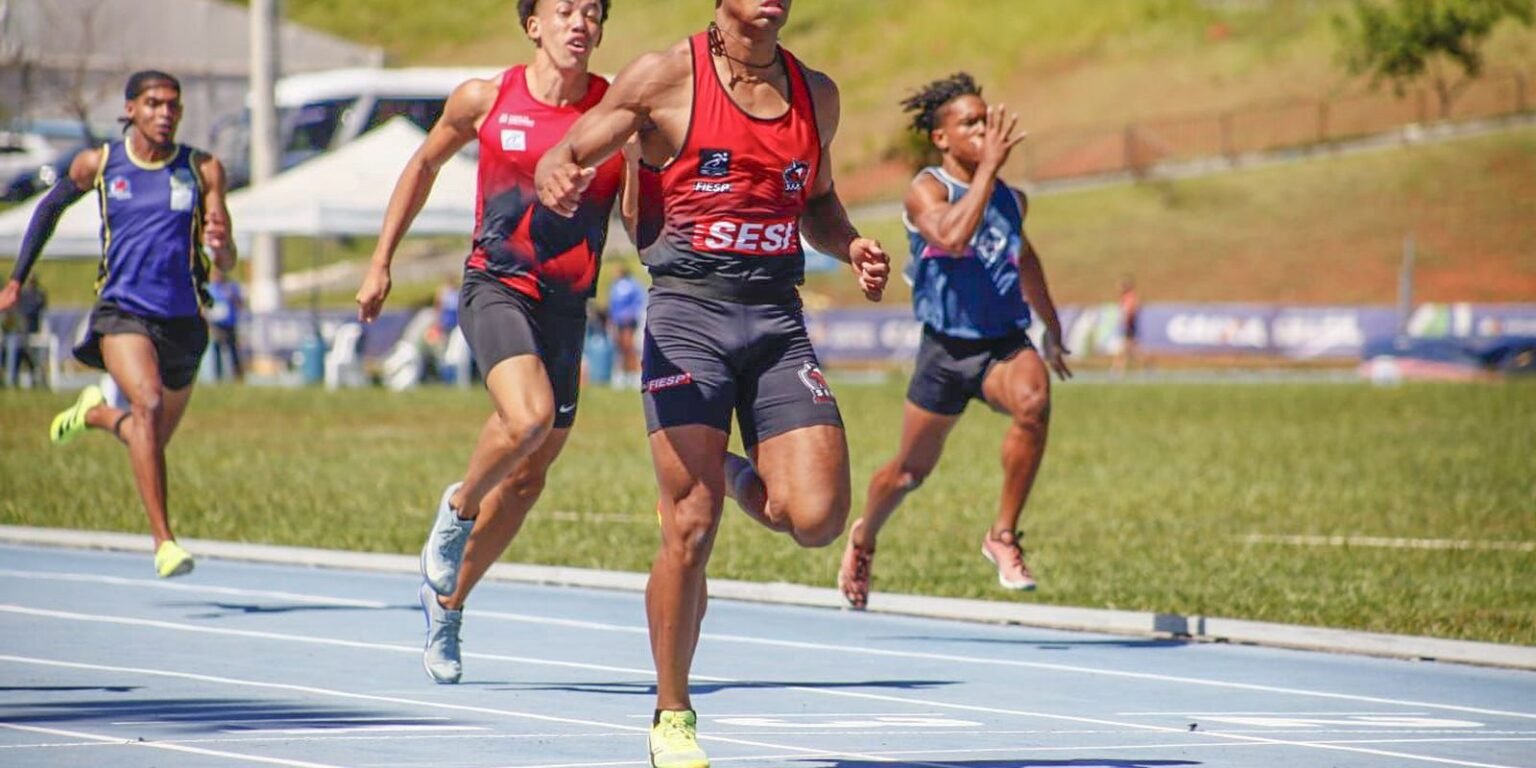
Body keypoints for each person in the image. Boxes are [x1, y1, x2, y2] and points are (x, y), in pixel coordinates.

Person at [534, 1, 891, 765]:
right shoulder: (666, 76)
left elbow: (819, 201)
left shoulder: (815, 93)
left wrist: (852, 242)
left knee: (818, 516)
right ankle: (672, 712)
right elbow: (563, 154)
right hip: (688, 314)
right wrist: (561, 177)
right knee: (689, 528)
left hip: (774, 318)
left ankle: (726, 472)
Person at [354, 0, 635, 686]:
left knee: (532, 473)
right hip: (497, 285)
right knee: (527, 417)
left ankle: (447, 603)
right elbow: (422, 164)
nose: (580, 23)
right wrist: (381, 259)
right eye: (564, 10)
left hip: (570, 305)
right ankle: (457, 508)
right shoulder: (487, 98)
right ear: (532, 24)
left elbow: (638, 212)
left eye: (592, 12)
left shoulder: (617, 113)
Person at [837, 73, 1071, 611]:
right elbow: (950, 235)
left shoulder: (1013, 200)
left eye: (988, 121)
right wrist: (987, 169)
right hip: (944, 351)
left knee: (1034, 402)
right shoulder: (927, 190)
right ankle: (865, 536)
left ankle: (1003, 535)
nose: (985, 131)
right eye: (971, 123)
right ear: (942, 138)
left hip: (1002, 344)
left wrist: (1053, 328)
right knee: (908, 473)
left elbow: (1026, 258)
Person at [0, 70, 236, 578]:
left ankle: (96, 413)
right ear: (130, 109)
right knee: (146, 406)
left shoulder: (203, 168)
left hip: (185, 321)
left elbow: (228, 254)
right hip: (122, 312)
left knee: (147, 439)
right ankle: (164, 543)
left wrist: (221, 246)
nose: (165, 113)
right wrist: (18, 279)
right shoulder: (102, 163)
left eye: (173, 104)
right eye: (153, 103)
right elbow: (50, 208)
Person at [2, 276, 46, 387]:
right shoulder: (18, 299)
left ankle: (11, 381)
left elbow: (32, 310)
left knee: (14, 343)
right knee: (12, 342)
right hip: (13, 335)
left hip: (27, 335)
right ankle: (9, 380)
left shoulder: (36, 296)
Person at [606, 262, 643, 387]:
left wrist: (631, 313)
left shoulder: (632, 284)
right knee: (620, 347)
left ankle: (636, 374)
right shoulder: (615, 286)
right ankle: (623, 374)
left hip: (629, 321)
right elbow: (612, 304)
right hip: (617, 321)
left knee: (629, 346)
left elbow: (639, 300)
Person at [205, 267, 244, 381]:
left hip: (230, 323)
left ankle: (238, 376)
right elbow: (205, 307)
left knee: (233, 350)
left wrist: (233, 299)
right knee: (217, 350)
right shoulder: (210, 289)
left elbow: (239, 304)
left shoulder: (231, 288)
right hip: (216, 324)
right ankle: (218, 376)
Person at [1113, 275, 1140, 376]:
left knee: (1123, 349)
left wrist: (1125, 320)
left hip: (1129, 327)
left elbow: (1130, 311)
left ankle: (1117, 370)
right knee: (1132, 351)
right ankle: (1149, 365)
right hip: (1127, 327)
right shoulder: (1125, 298)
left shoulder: (1130, 297)